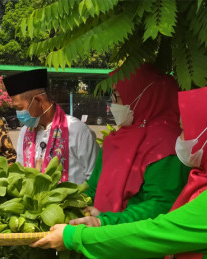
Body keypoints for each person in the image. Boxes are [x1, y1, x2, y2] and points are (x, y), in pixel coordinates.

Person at [32, 84, 207, 259]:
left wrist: (75, 237)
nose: (179, 139)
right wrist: (97, 219)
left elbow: (158, 231)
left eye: (185, 130)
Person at [74, 63, 191, 227]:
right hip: (104, 237)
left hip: (140, 243)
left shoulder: (167, 145)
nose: (114, 103)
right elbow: (93, 188)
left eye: (117, 95)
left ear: (142, 96)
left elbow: (161, 205)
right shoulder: (115, 139)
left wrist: (106, 221)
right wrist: (68, 202)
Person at [3, 69, 99, 184]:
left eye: (20, 108)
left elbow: (94, 177)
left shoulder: (77, 130)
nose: (18, 113)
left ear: (38, 100)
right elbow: (19, 170)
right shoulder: (25, 131)